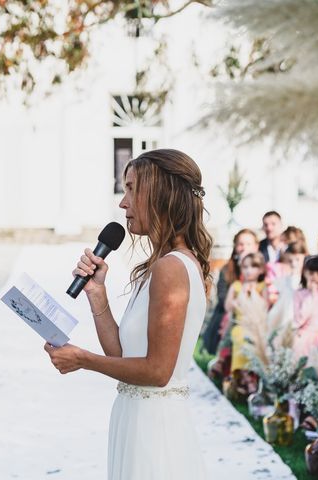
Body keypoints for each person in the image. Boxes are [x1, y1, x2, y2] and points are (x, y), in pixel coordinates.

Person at [44, 149, 211, 480]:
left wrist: (81, 359)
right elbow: (122, 356)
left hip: (156, 430)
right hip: (135, 418)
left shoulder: (172, 268)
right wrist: (96, 293)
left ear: (161, 193)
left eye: (132, 188)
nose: (123, 203)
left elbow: (158, 371)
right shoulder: (159, 266)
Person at [202, 228, 258, 356]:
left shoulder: (262, 270)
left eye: (248, 244)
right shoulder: (227, 270)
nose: (244, 248)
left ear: (256, 246)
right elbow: (223, 299)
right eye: (240, 244)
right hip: (229, 318)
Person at [224, 253, 267, 373]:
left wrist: (254, 293)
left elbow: (265, 307)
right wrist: (240, 296)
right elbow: (228, 307)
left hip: (257, 328)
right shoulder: (236, 286)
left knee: (256, 360)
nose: (249, 271)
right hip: (240, 327)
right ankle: (239, 379)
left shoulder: (262, 286)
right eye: (245, 267)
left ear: (261, 270)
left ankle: (254, 379)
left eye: (253, 267)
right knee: (240, 353)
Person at [293, 256, 318, 359]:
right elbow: (299, 319)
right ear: (305, 273)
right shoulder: (298, 294)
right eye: (311, 273)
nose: (314, 277)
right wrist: (312, 294)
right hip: (305, 338)